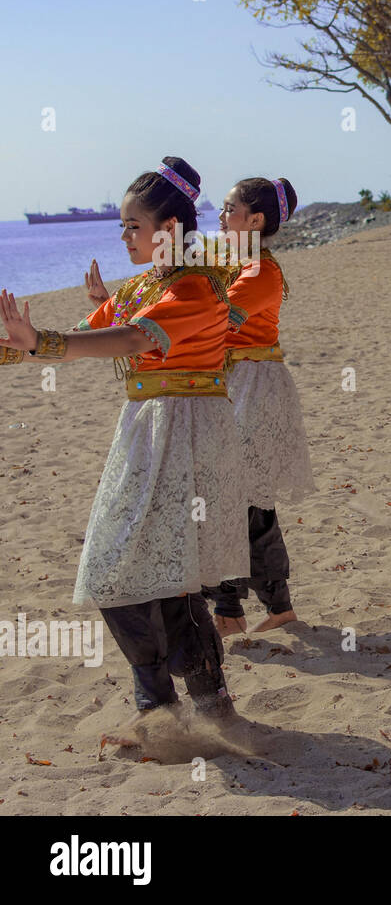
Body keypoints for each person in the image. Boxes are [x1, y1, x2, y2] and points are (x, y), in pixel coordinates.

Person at [1, 157, 248, 731]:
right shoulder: (142, 286)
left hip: (186, 433)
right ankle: (183, 705)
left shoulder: (196, 288)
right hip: (147, 430)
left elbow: (132, 337)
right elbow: (89, 334)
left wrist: (41, 341)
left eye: (132, 226)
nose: (123, 236)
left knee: (129, 568)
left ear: (168, 230)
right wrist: (19, 346)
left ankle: (175, 705)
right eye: (122, 226)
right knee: (150, 570)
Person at [199, 177, 316, 636]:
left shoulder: (260, 272)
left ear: (256, 220)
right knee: (241, 500)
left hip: (254, 388)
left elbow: (208, 322)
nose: (221, 217)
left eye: (229, 209)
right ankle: (267, 607)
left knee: (239, 498)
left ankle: (232, 611)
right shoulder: (232, 262)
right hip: (231, 384)